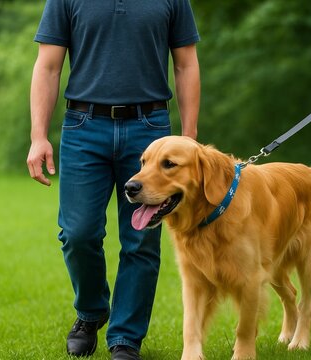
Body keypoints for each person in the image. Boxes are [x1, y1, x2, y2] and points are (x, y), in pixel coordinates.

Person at [26, 1, 200, 359]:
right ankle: (91, 312)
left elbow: (185, 64)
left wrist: (189, 138)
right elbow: (48, 66)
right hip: (84, 125)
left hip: (149, 127)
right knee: (78, 233)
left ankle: (125, 339)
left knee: (141, 240)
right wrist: (38, 136)